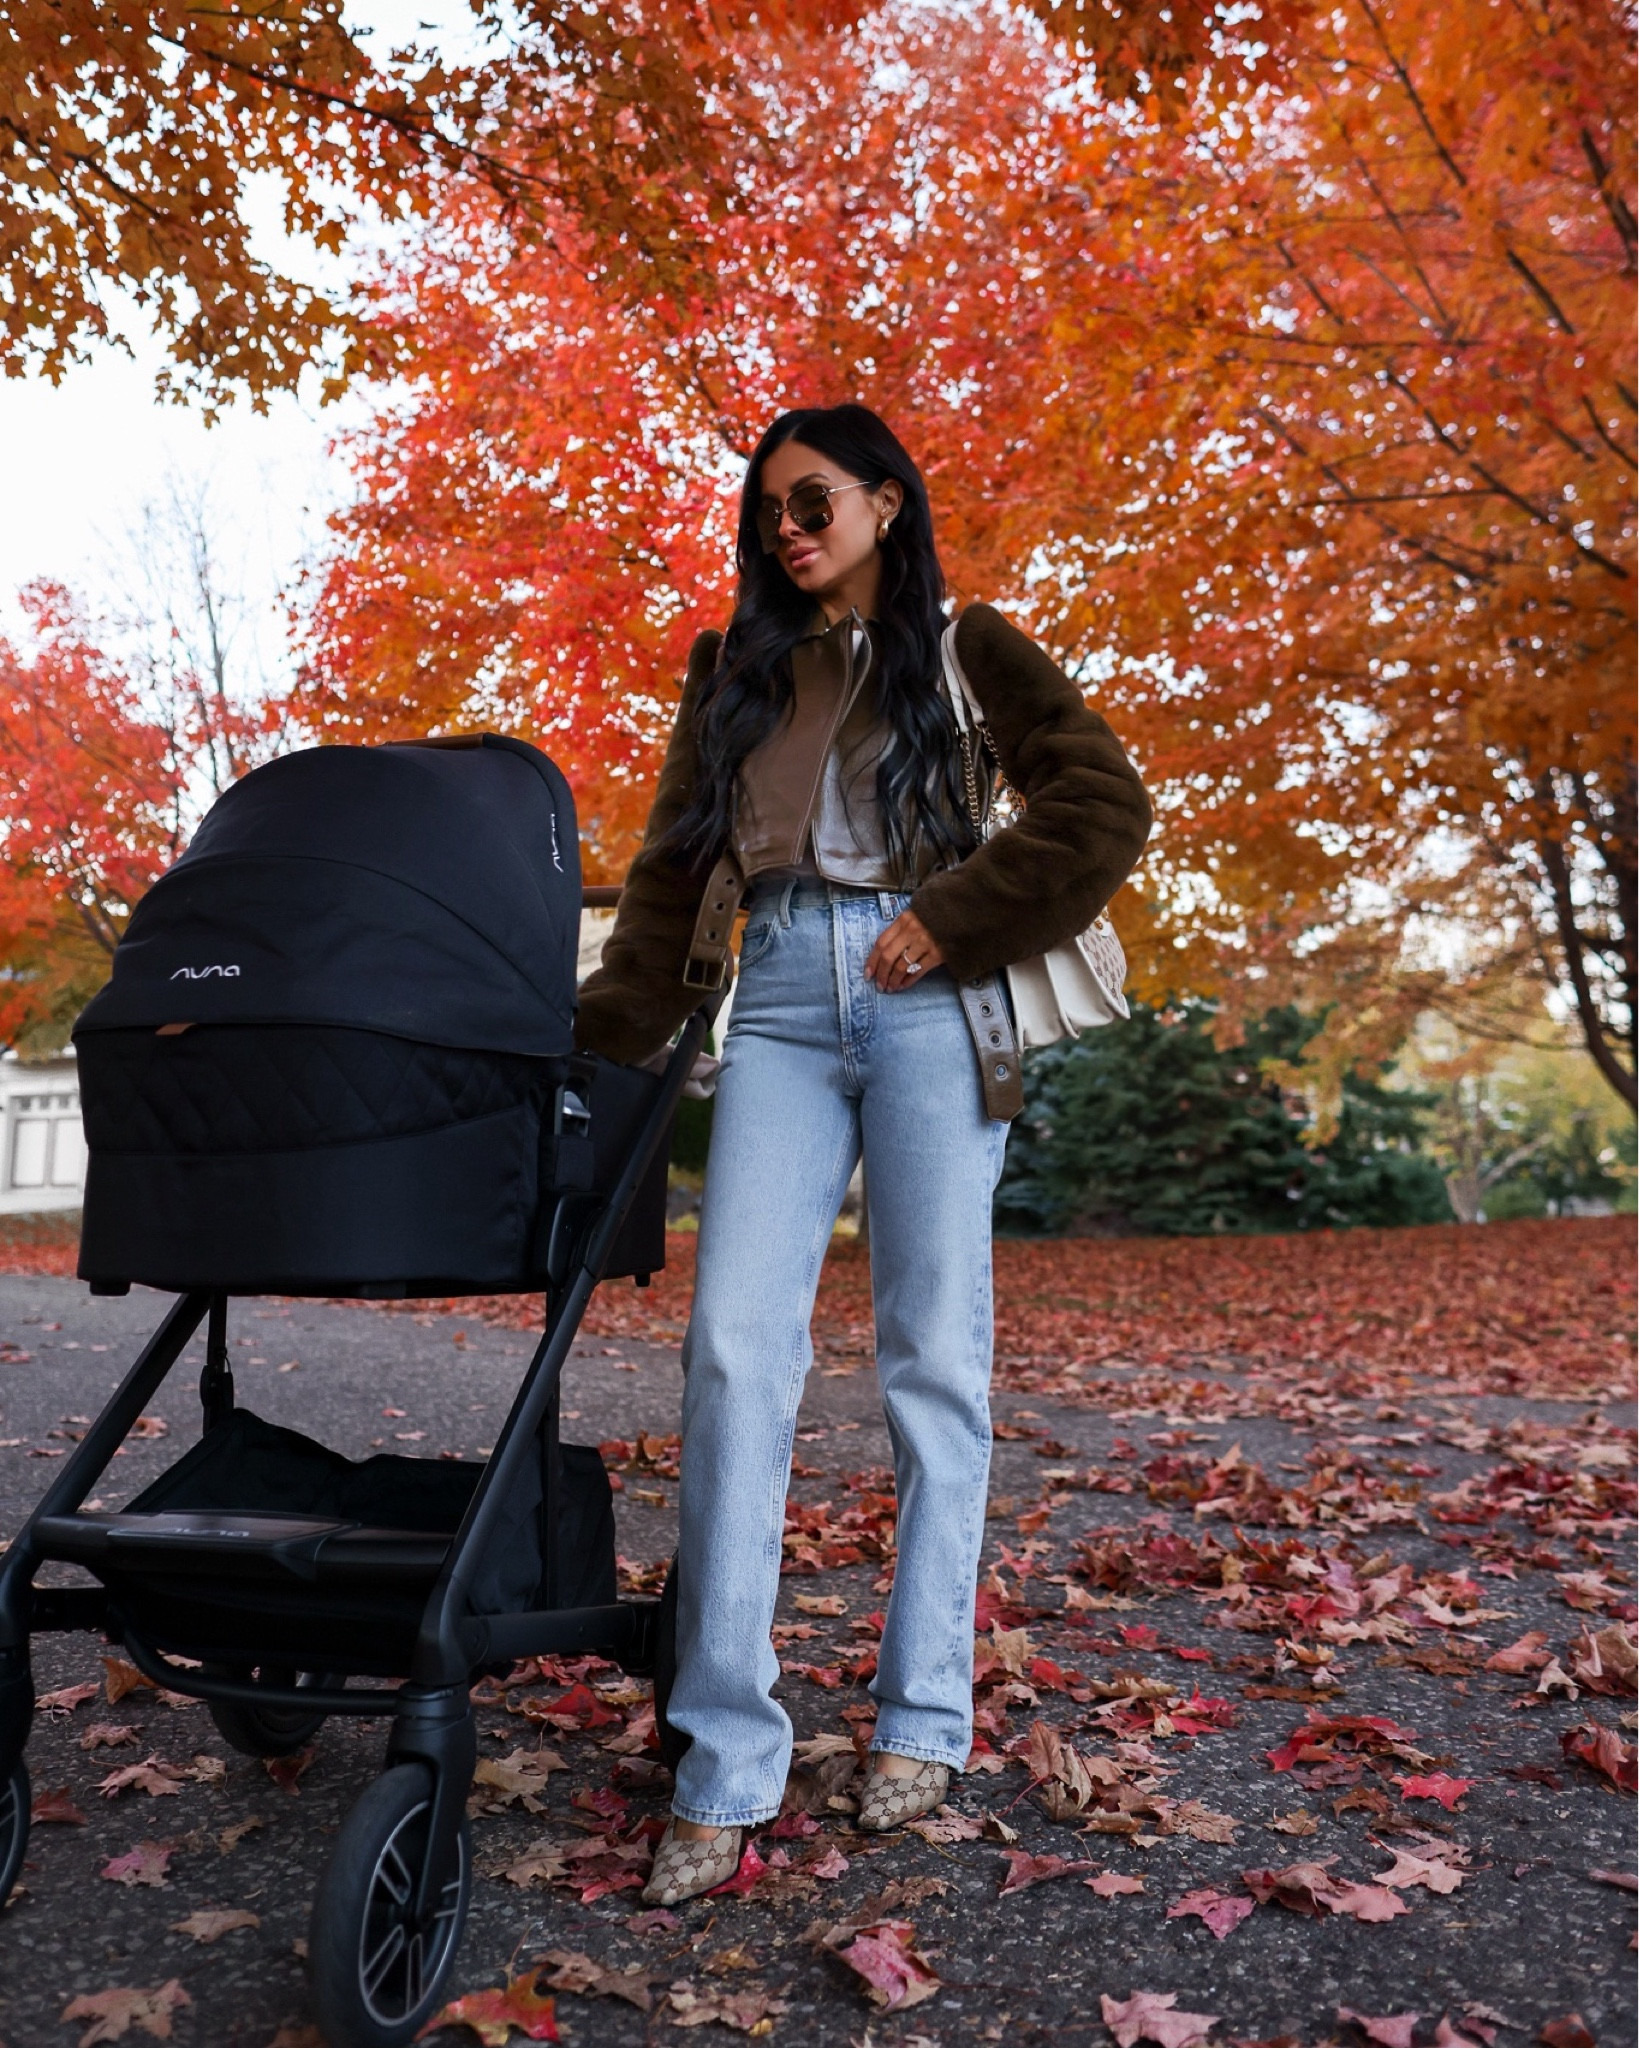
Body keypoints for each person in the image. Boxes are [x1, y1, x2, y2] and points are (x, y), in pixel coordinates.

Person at [573, 403, 1152, 1904]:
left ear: (888, 503)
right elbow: (669, 871)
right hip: (767, 999)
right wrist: (595, 1047)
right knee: (731, 1352)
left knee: (931, 1363)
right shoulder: (733, 670)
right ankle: (724, 1753)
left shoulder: (970, 653)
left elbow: (1102, 800)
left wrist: (955, 913)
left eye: (814, 497)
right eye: (767, 506)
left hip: (926, 1003)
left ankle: (922, 1714)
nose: (787, 525)